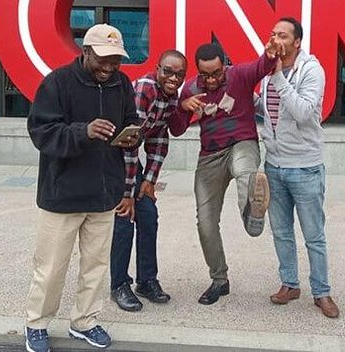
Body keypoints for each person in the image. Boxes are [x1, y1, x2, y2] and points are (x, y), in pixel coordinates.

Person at [24, 24, 140, 352]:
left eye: (116, 60)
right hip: (63, 195)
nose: (109, 67)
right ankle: (36, 324)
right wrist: (83, 132)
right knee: (51, 268)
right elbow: (41, 132)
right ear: (85, 51)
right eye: (103, 59)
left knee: (95, 267)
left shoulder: (121, 83)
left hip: (103, 194)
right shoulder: (57, 82)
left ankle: (85, 321)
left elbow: (130, 119)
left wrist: (132, 136)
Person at [172, 38, 282, 305]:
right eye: (205, 75)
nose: (211, 80)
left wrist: (269, 55)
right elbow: (176, 129)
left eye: (216, 73)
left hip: (241, 143)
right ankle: (219, 280)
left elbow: (262, 66)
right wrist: (183, 108)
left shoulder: (239, 76)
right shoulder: (190, 89)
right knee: (205, 222)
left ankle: (252, 214)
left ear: (225, 66)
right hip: (209, 155)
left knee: (246, 171)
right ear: (198, 71)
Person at [257, 17, 339, 319]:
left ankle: (322, 292)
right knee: (281, 231)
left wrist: (278, 76)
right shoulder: (268, 73)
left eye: (282, 35)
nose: (275, 39)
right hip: (274, 165)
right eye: (272, 33)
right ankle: (289, 284)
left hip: (305, 167)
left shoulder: (311, 70)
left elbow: (303, 112)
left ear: (297, 42)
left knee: (314, 235)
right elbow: (270, 111)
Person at [110, 50, 188, 312]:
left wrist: (150, 181)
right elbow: (130, 141)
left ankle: (146, 281)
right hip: (113, 157)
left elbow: (159, 138)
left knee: (148, 215)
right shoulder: (145, 89)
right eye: (168, 71)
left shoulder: (171, 95)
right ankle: (119, 284)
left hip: (132, 160)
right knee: (124, 218)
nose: (173, 78)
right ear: (157, 68)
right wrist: (128, 193)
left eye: (180, 74)